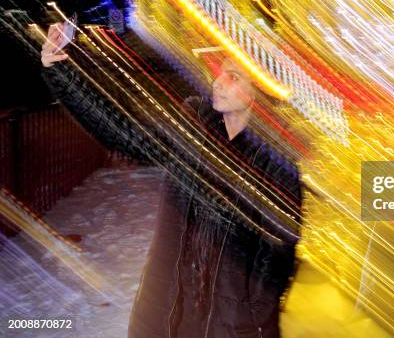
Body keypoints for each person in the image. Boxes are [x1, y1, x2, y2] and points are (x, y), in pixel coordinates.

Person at [41, 23, 303, 338]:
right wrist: (63, 71)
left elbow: (279, 251)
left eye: (233, 77)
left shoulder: (278, 160)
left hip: (231, 318)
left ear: (260, 91)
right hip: (168, 304)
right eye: (220, 73)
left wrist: (252, 309)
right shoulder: (194, 127)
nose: (217, 83)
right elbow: (122, 132)